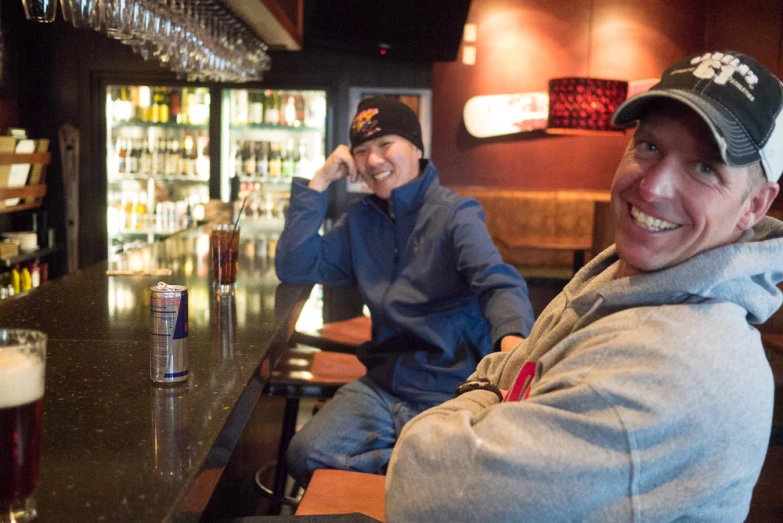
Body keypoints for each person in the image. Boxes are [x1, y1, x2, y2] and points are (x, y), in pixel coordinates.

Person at [386, 50, 783, 522]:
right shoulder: (622, 275)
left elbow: (420, 490)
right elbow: (512, 364)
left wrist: (469, 411)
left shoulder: (669, 366)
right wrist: (494, 394)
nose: (653, 187)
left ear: (754, 205)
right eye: (650, 146)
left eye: (705, 169)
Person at [275, 96, 536, 486]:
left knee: (447, 482)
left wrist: (514, 346)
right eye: (362, 151)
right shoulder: (360, 221)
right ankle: (416, 466)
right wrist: (320, 181)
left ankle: (417, 468)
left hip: (448, 389)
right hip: (382, 386)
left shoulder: (455, 213)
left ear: (416, 147)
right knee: (306, 453)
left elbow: (497, 281)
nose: (374, 160)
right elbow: (295, 265)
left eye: (386, 145)